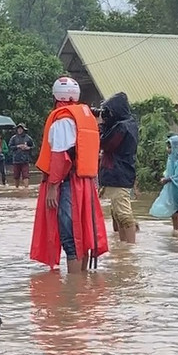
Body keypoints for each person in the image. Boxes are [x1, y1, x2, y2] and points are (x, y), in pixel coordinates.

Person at [30, 76, 109, 273]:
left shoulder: (62, 120)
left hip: (68, 183)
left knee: (70, 237)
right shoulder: (86, 117)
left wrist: (52, 187)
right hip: (86, 183)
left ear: (56, 96)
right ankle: (83, 283)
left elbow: (60, 157)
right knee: (83, 233)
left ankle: (73, 287)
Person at [97, 91, 140, 243]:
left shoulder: (122, 127)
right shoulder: (129, 124)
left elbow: (105, 143)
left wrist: (101, 125)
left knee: (123, 214)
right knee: (118, 214)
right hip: (121, 173)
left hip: (118, 174)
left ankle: (130, 247)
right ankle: (124, 247)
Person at [8, 123, 33, 187]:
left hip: (25, 160)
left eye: (21, 129)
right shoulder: (13, 138)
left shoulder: (28, 138)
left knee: (26, 175)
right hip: (16, 159)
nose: (19, 130)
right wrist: (18, 146)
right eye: (18, 129)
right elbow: (10, 147)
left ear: (24, 130)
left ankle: (26, 188)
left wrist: (28, 148)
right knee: (16, 176)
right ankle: (17, 188)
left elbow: (33, 147)